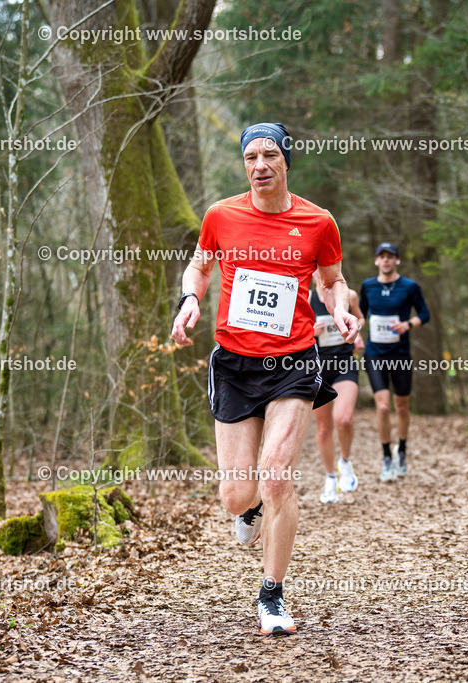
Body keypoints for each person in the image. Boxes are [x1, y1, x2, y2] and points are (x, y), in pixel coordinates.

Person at [171, 122, 358, 636]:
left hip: (293, 363)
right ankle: (248, 507)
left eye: (270, 155)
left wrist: (340, 310)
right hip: (234, 364)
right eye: (251, 156)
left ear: (286, 161)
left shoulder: (318, 222)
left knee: (276, 476)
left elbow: (332, 280)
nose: (259, 165)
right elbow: (199, 268)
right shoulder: (221, 215)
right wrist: (190, 299)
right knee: (236, 495)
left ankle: (271, 595)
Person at [359, 242, 430, 482]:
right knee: (382, 406)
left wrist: (408, 324)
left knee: (401, 406)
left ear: (397, 260)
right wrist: (355, 333)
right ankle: (386, 455)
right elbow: (361, 315)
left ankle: (402, 449)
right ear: (376, 261)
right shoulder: (368, 286)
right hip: (374, 353)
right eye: (382, 257)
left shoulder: (410, 286)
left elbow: (424, 314)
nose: (386, 261)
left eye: (390, 257)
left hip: (400, 355)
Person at [310, 270, 365, 503]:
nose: (319, 272)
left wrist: (357, 332)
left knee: (343, 418)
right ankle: (330, 477)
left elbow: (360, 318)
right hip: (316, 367)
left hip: (344, 363)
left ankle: (345, 462)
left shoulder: (349, 295)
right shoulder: (304, 298)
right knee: (323, 429)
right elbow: (292, 330)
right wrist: (310, 331)